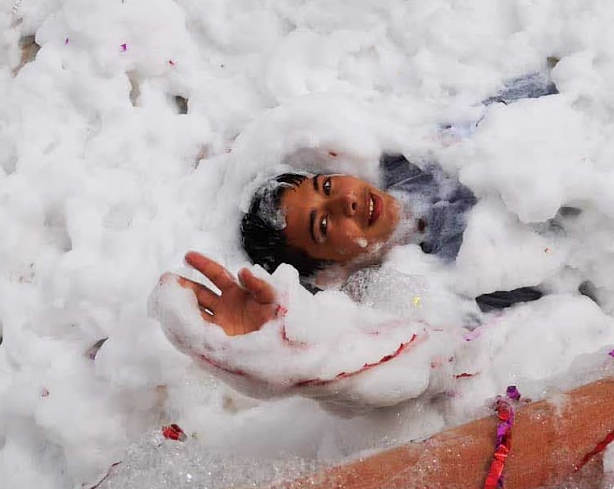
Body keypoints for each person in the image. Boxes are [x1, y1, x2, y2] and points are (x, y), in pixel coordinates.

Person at [149, 77, 568, 410]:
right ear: (329, 273)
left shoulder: (417, 156)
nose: (347, 201)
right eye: (323, 225)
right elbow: (443, 360)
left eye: (326, 186)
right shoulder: (431, 289)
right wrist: (278, 355)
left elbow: (544, 97)